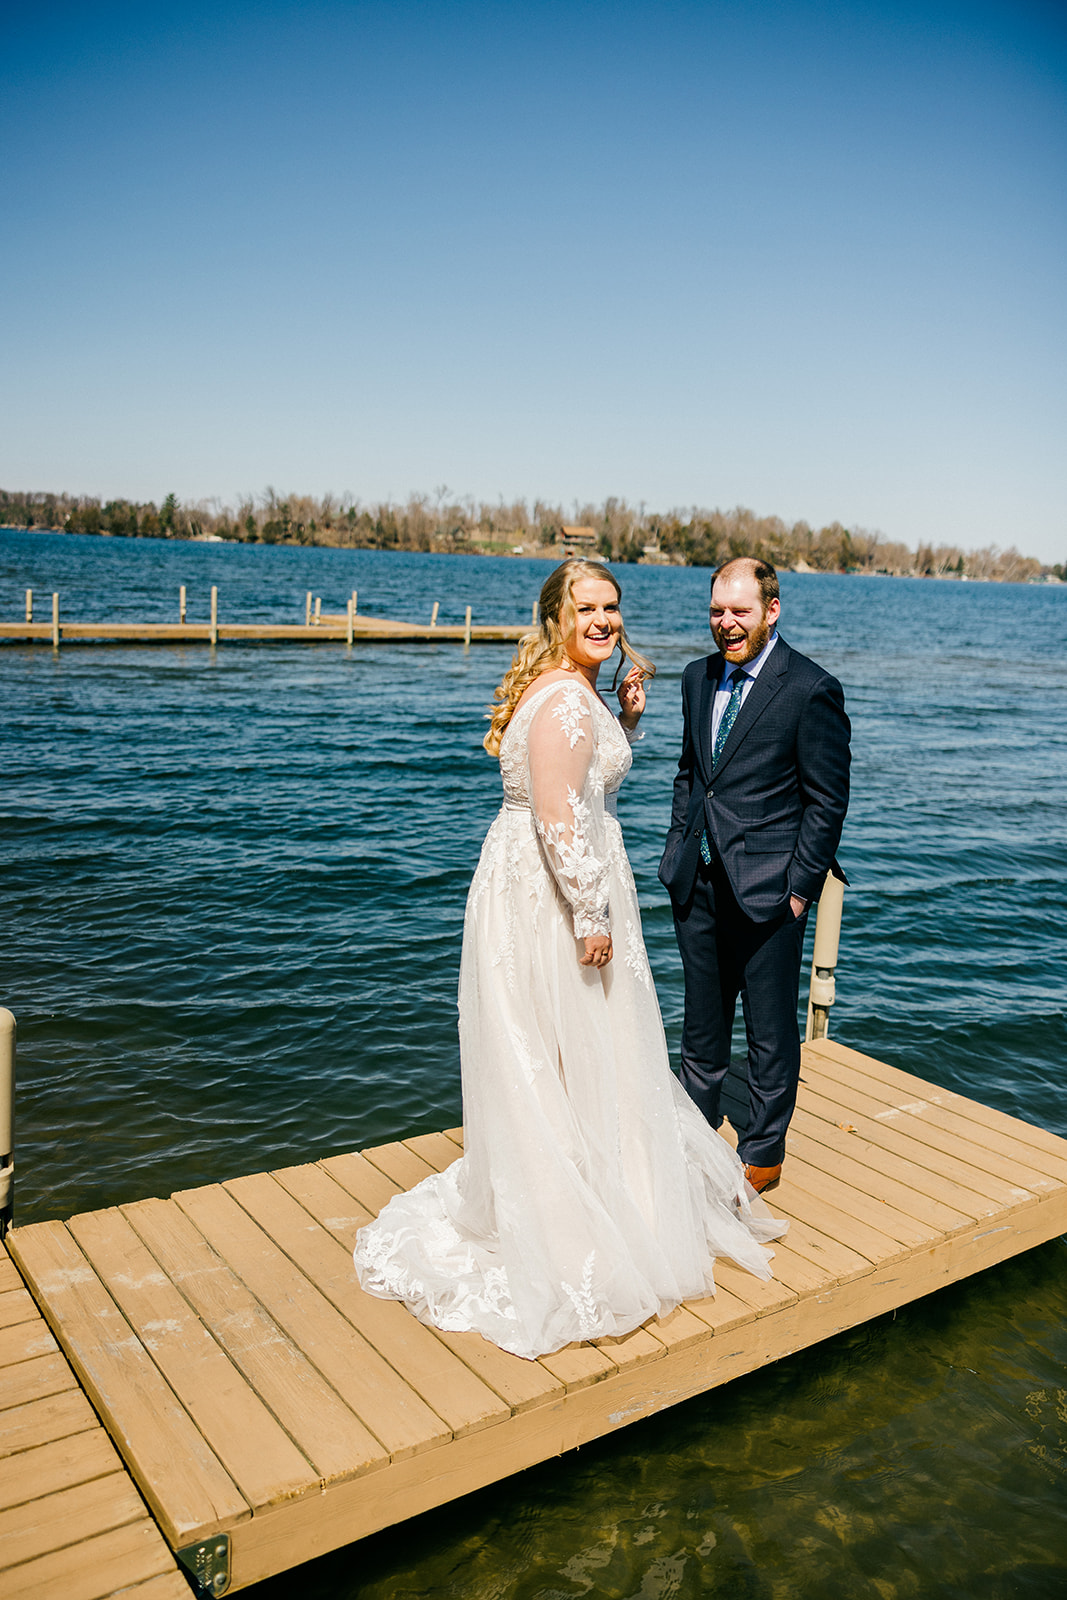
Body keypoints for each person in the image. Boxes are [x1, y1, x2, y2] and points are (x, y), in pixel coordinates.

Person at [353, 559, 785, 1360]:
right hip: (555, 894)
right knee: (566, 1041)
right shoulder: (561, 699)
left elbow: (576, 788)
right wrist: (590, 916)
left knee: (559, 1046)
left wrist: (621, 719)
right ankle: (568, 1217)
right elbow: (558, 813)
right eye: (586, 608)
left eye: (611, 607)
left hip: (541, 879)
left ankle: (581, 1183)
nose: (603, 621)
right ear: (556, 616)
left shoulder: (565, 690)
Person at [658, 557, 850, 1195]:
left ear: (772, 610)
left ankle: (763, 1153)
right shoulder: (695, 678)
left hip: (773, 894)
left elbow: (827, 801)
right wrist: (676, 854)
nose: (726, 624)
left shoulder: (810, 689)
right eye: (717, 611)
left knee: (770, 1036)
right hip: (700, 887)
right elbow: (692, 775)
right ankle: (693, 1135)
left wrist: (800, 889)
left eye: (739, 611)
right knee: (700, 1030)